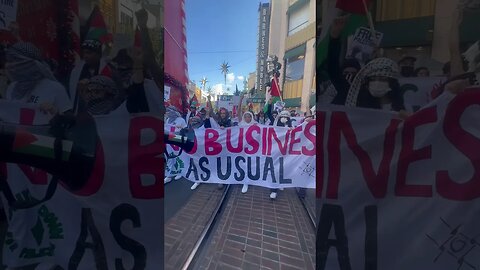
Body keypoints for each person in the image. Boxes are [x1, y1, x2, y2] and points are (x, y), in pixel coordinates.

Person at [4, 42, 72, 115]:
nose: (9, 66)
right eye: (9, 61)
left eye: (15, 61)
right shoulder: (12, 87)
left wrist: (55, 112)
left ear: (28, 64)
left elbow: (69, 121)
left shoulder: (55, 88)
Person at [69, 39, 111, 115]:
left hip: (104, 116)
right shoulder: (76, 71)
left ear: (98, 54)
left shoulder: (109, 70)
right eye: (84, 53)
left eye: (89, 53)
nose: (85, 56)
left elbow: (117, 96)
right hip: (82, 116)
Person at [164, 105, 187, 184]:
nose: (167, 113)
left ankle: (180, 172)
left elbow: (185, 130)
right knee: (170, 156)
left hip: (177, 139)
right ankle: (169, 175)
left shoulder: (181, 120)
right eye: (166, 111)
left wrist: (179, 130)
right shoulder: (168, 120)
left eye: (168, 111)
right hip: (168, 140)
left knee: (179, 156)